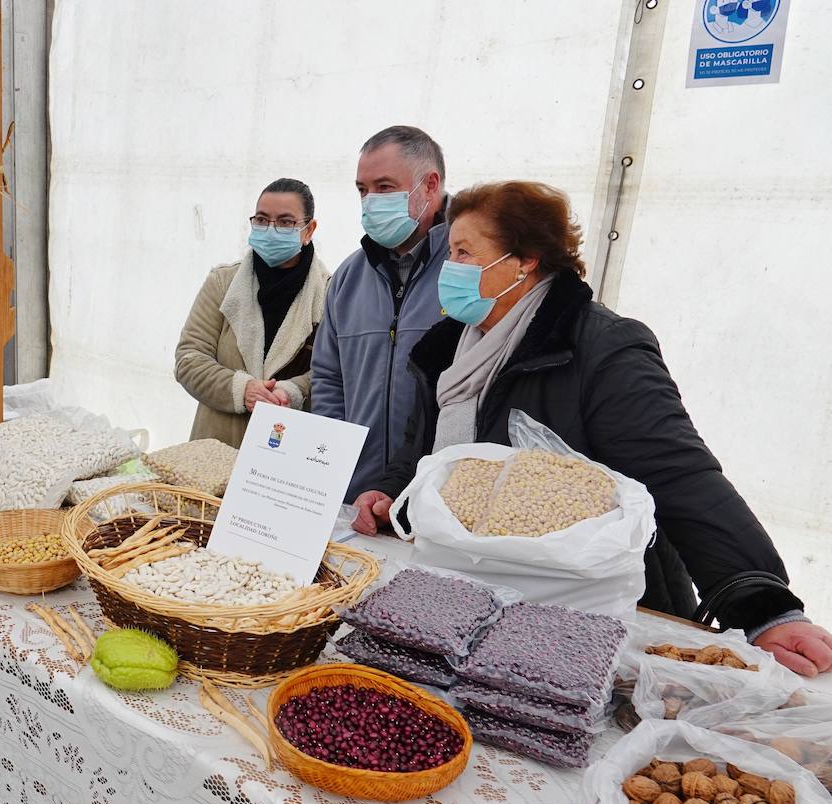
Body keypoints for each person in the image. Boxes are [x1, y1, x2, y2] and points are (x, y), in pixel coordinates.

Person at [358, 180, 832, 677]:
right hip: (474, 592)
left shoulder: (602, 347)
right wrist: (392, 490)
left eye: (464, 252)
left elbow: (681, 474)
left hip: (584, 610)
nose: (448, 268)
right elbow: (425, 450)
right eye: (450, 251)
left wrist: (761, 604)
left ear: (525, 260)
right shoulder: (448, 348)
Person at [310, 126, 450, 501]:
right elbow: (327, 377)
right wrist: (333, 467)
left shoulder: (467, 271)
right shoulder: (347, 279)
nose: (370, 200)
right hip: (355, 496)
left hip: (435, 496)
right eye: (362, 189)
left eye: (384, 187)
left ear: (430, 185)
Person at [174, 178, 330, 447]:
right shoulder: (223, 283)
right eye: (261, 219)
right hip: (214, 447)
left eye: (285, 222)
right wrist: (241, 389)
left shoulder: (330, 295)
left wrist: (291, 392)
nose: (271, 230)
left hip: (286, 451)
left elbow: (334, 372)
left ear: (309, 230)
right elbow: (189, 358)